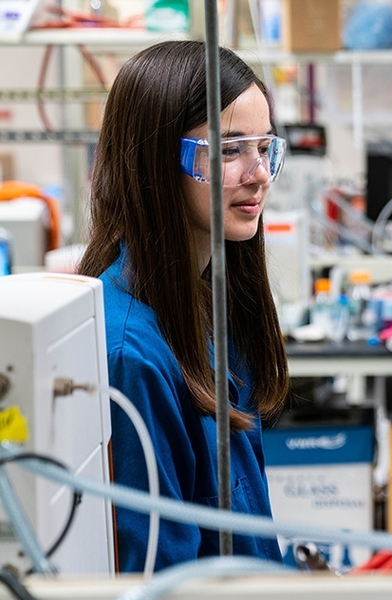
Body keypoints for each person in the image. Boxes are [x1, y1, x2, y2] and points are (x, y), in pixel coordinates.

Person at [78, 40, 290, 572]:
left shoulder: (210, 305)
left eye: (264, 147)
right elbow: (160, 579)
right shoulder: (129, 357)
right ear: (154, 162)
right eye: (228, 151)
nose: (259, 173)